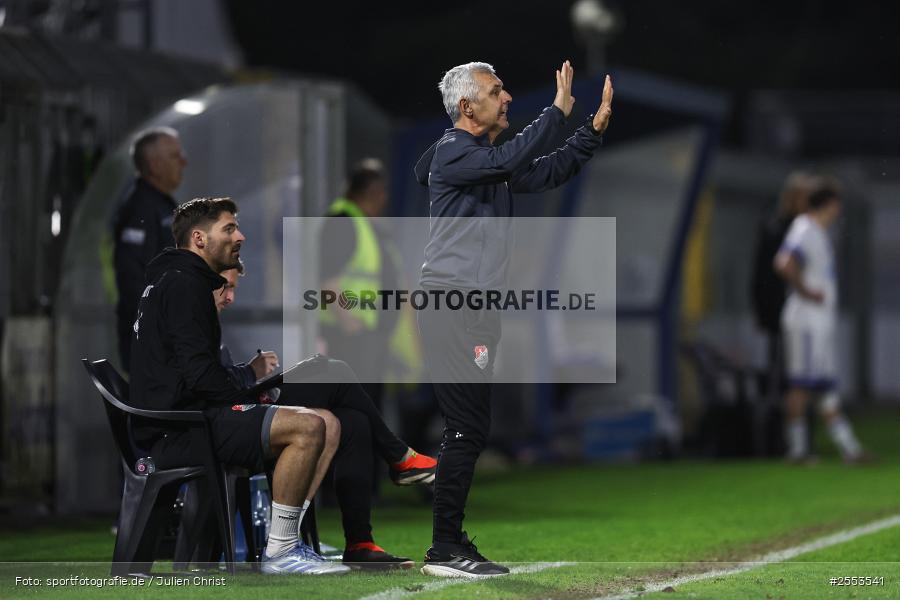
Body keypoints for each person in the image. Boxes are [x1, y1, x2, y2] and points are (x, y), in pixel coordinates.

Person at [413, 60, 613, 578]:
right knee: (465, 426)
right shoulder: (459, 151)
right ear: (466, 107)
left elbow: (543, 170)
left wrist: (588, 133)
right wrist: (557, 111)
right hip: (451, 304)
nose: (505, 98)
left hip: (474, 308)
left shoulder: (476, 158)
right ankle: (443, 548)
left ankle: (451, 540)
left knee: (471, 427)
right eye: (496, 91)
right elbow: (514, 156)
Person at [128, 197, 349, 575]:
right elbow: (200, 376)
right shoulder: (184, 285)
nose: (240, 236)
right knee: (309, 425)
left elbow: (197, 371)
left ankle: (285, 539)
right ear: (199, 239)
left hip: (189, 419)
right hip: (184, 429)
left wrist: (249, 394)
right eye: (228, 229)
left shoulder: (177, 280)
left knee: (327, 422)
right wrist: (248, 392)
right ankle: (280, 554)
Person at [214, 262, 437, 568]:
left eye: (233, 288)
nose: (230, 297)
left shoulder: (205, 314)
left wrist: (251, 375)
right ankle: (399, 456)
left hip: (244, 404)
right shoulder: (189, 306)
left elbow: (218, 378)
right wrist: (249, 377)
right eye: (224, 287)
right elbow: (209, 388)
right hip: (233, 416)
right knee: (335, 372)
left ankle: (359, 541)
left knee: (353, 420)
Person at [774, 182, 869, 464]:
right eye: (836, 204)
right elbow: (784, 262)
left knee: (825, 386)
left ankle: (849, 448)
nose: (838, 210)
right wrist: (804, 290)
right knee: (801, 385)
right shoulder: (804, 228)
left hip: (819, 322)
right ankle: (797, 450)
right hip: (805, 320)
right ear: (829, 205)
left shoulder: (818, 233)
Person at [112, 127, 187, 373]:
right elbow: (133, 277)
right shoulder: (140, 209)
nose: (184, 162)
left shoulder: (161, 204)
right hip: (153, 343)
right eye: (175, 156)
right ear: (154, 165)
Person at [750, 172, 814, 417]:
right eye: (804, 197)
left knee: (801, 374)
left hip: (800, 312)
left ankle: (798, 430)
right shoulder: (776, 228)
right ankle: (780, 430)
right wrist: (762, 311)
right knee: (783, 373)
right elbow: (763, 273)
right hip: (779, 312)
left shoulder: (806, 228)